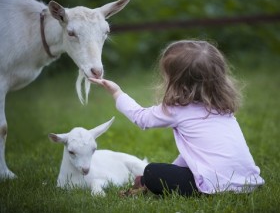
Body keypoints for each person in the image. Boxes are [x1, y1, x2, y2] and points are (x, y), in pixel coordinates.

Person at [89, 40, 264, 197]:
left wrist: (117, 92)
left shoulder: (177, 109)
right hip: (247, 182)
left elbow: (141, 118)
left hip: (215, 186)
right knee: (161, 172)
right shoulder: (223, 109)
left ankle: (149, 183)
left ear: (177, 81)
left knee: (151, 172)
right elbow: (195, 155)